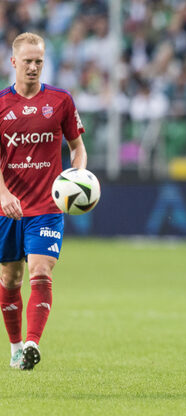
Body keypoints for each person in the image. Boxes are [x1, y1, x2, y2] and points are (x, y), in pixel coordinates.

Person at [0, 32, 87, 370]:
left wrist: (77, 176)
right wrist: (4, 194)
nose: (33, 67)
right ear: (13, 63)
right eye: (27, 62)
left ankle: (32, 344)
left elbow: (77, 148)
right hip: (9, 208)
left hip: (47, 209)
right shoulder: (2, 105)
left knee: (40, 270)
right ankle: (15, 346)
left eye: (39, 61)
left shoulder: (61, 101)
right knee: (10, 279)